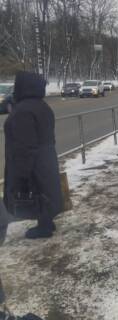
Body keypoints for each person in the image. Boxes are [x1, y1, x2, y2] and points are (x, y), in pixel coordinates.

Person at [3, 71, 63, 239]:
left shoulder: (23, 111)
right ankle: (46, 222)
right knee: (46, 189)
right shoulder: (41, 106)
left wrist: (21, 174)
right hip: (46, 158)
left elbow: (24, 146)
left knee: (36, 190)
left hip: (32, 161)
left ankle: (44, 228)